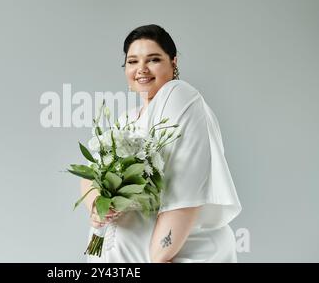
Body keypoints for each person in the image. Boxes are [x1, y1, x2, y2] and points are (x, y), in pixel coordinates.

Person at [79, 24, 242, 263]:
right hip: (114, 250)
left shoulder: (179, 96)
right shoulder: (126, 119)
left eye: (153, 59)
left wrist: (160, 256)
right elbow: (92, 172)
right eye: (133, 61)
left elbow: (185, 190)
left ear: (173, 62)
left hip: (170, 252)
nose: (141, 69)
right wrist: (96, 207)